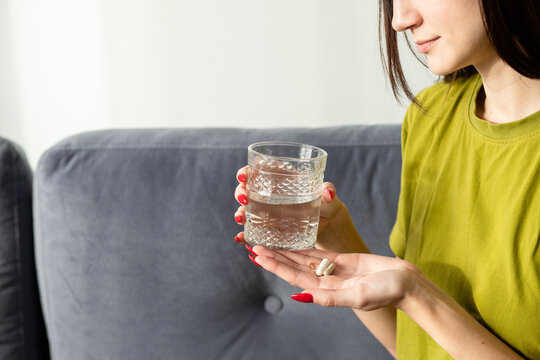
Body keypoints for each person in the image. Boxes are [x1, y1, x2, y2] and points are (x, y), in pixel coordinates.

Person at [233, 0, 540, 358]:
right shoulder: (431, 117)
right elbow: (414, 347)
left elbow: (417, 300)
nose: (400, 20)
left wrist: (417, 294)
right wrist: (337, 237)